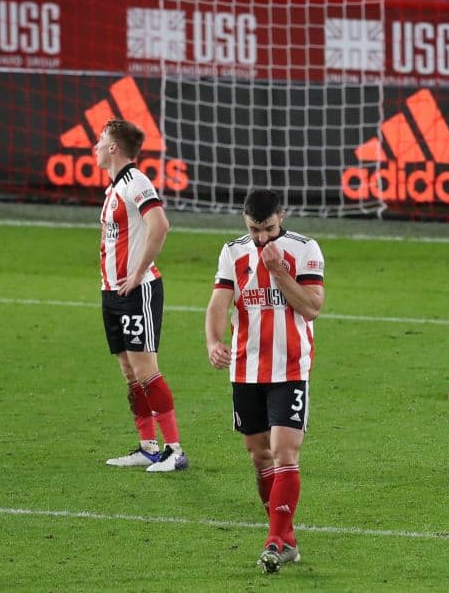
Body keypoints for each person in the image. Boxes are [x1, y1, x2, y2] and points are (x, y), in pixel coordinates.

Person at [205, 189, 325, 574]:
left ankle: (274, 541)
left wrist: (279, 272)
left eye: (268, 229)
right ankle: (287, 539)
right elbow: (219, 303)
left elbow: (312, 307)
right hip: (245, 370)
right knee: (260, 458)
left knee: (284, 451)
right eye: (254, 229)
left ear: (281, 217)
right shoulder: (232, 252)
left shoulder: (304, 249)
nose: (261, 238)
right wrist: (213, 341)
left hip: (290, 368)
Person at [95, 118, 188, 473]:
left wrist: (137, 273)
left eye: (100, 140)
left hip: (138, 290)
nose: (96, 146)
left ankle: (174, 450)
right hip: (112, 292)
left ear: (113, 147)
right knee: (130, 373)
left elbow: (160, 225)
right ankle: (148, 447)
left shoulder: (136, 182)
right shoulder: (114, 188)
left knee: (146, 371)